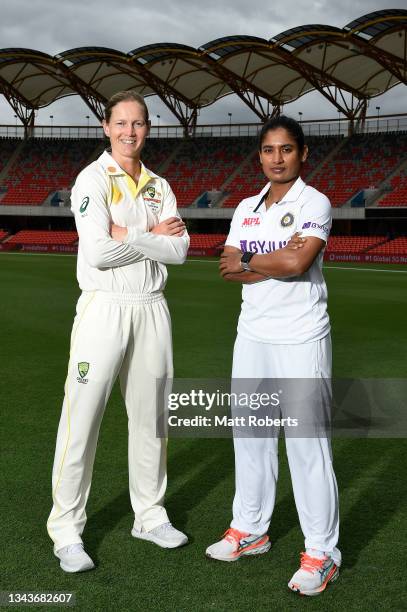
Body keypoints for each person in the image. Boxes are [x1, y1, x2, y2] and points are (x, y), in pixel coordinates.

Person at [47, 90, 189, 573]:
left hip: (152, 308)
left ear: (148, 129)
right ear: (106, 127)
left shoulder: (158, 184)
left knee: (152, 418)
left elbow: (182, 251)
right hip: (104, 308)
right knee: (82, 419)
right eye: (122, 123)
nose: (131, 132)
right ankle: (66, 530)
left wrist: (127, 234)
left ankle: (149, 516)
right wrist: (151, 238)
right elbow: (99, 254)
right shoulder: (91, 178)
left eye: (140, 123)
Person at [206, 116, 340, 597]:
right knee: (251, 438)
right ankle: (251, 530)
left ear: (302, 154)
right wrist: (268, 260)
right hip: (253, 337)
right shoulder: (246, 206)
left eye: (286, 149)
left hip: (301, 337)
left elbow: (298, 262)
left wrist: (254, 261)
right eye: (268, 150)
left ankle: (321, 553)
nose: (276, 158)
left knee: (307, 448)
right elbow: (228, 266)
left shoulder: (314, 201)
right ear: (259, 155)